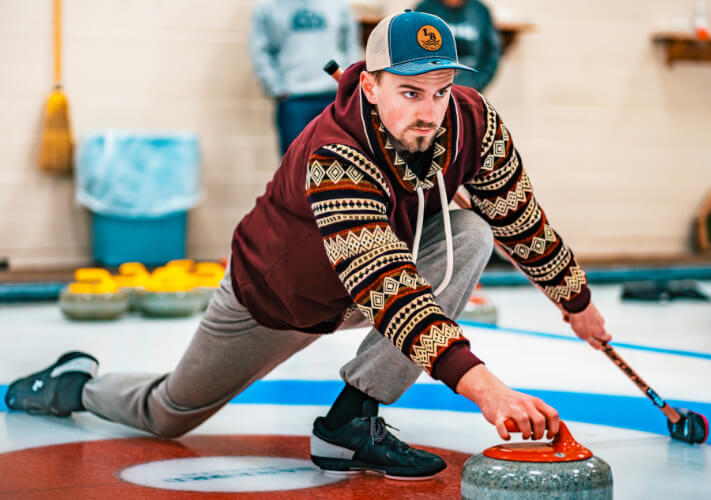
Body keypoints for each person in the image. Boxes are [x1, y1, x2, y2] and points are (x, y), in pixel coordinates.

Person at [5, 11, 611, 481]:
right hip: (273, 300)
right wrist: (485, 386)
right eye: (409, 92)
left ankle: (352, 422)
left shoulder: (473, 124)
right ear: (370, 87)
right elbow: (386, 287)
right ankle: (72, 384)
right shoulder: (336, 153)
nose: (429, 112)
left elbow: (519, 220)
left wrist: (577, 301)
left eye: (441, 91)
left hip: (370, 284)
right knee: (169, 413)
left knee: (472, 230)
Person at [250, 0, 361, 154]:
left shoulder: (339, 5)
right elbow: (261, 50)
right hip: (294, 101)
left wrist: (350, 87)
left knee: (342, 163)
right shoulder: (267, 7)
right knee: (296, 166)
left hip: (335, 98)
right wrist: (277, 89)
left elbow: (350, 46)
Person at [415, 0, 501, 91]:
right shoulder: (425, 9)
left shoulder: (480, 11)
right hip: (432, 90)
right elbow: (413, 52)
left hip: (470, 89)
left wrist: (477, 84)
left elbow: (492, 53)